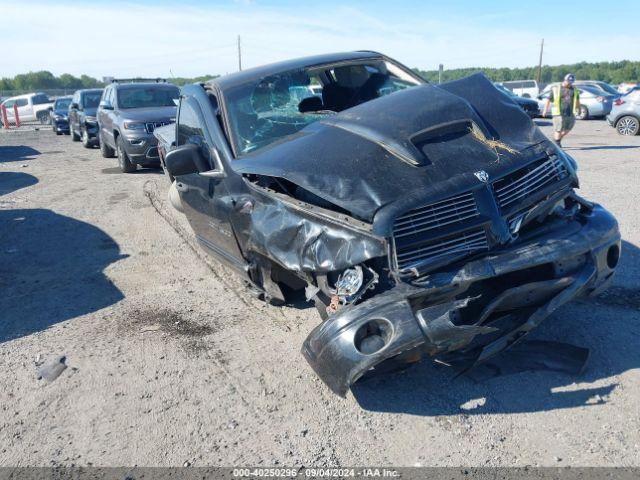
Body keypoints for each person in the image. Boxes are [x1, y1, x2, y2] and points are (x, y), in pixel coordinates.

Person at [543, 74, 580, 147]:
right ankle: (557, 144)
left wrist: (579, 108)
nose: (570, 83)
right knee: (558, 129)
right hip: (558, 113)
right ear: (565, 80)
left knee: (568, 128)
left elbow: (577, 100)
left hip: (570, 112)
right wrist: (545, 110)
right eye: (568, 82)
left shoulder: (574, 89)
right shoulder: (556, 88)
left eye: (571, 82)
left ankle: (557, 140)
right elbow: (548, 100)